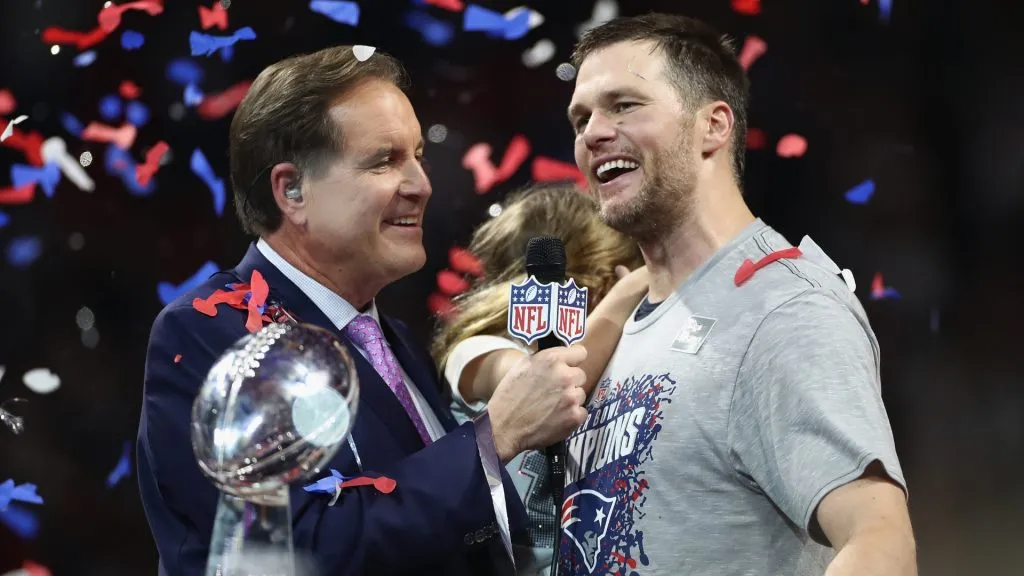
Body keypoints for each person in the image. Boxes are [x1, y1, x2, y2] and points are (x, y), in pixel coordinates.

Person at [136, 45, 590, 576]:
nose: (422, 185)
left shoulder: (391, 339)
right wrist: (494, 438)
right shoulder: (209, 334)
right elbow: (292, 552)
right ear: (292, 190)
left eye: (418, 155)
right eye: (385, 160)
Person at [559, 13, 917, 576]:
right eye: (581, 118)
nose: (593, 133)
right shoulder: (625, 320)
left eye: (624, 105)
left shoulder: (784, 311)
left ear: (714, 127)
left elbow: (879, 539)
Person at [431, 184, 647, 575]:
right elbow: (546, 382)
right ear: (596, 280)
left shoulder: (608, 355)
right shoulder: (477, 352)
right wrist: (626, 294)